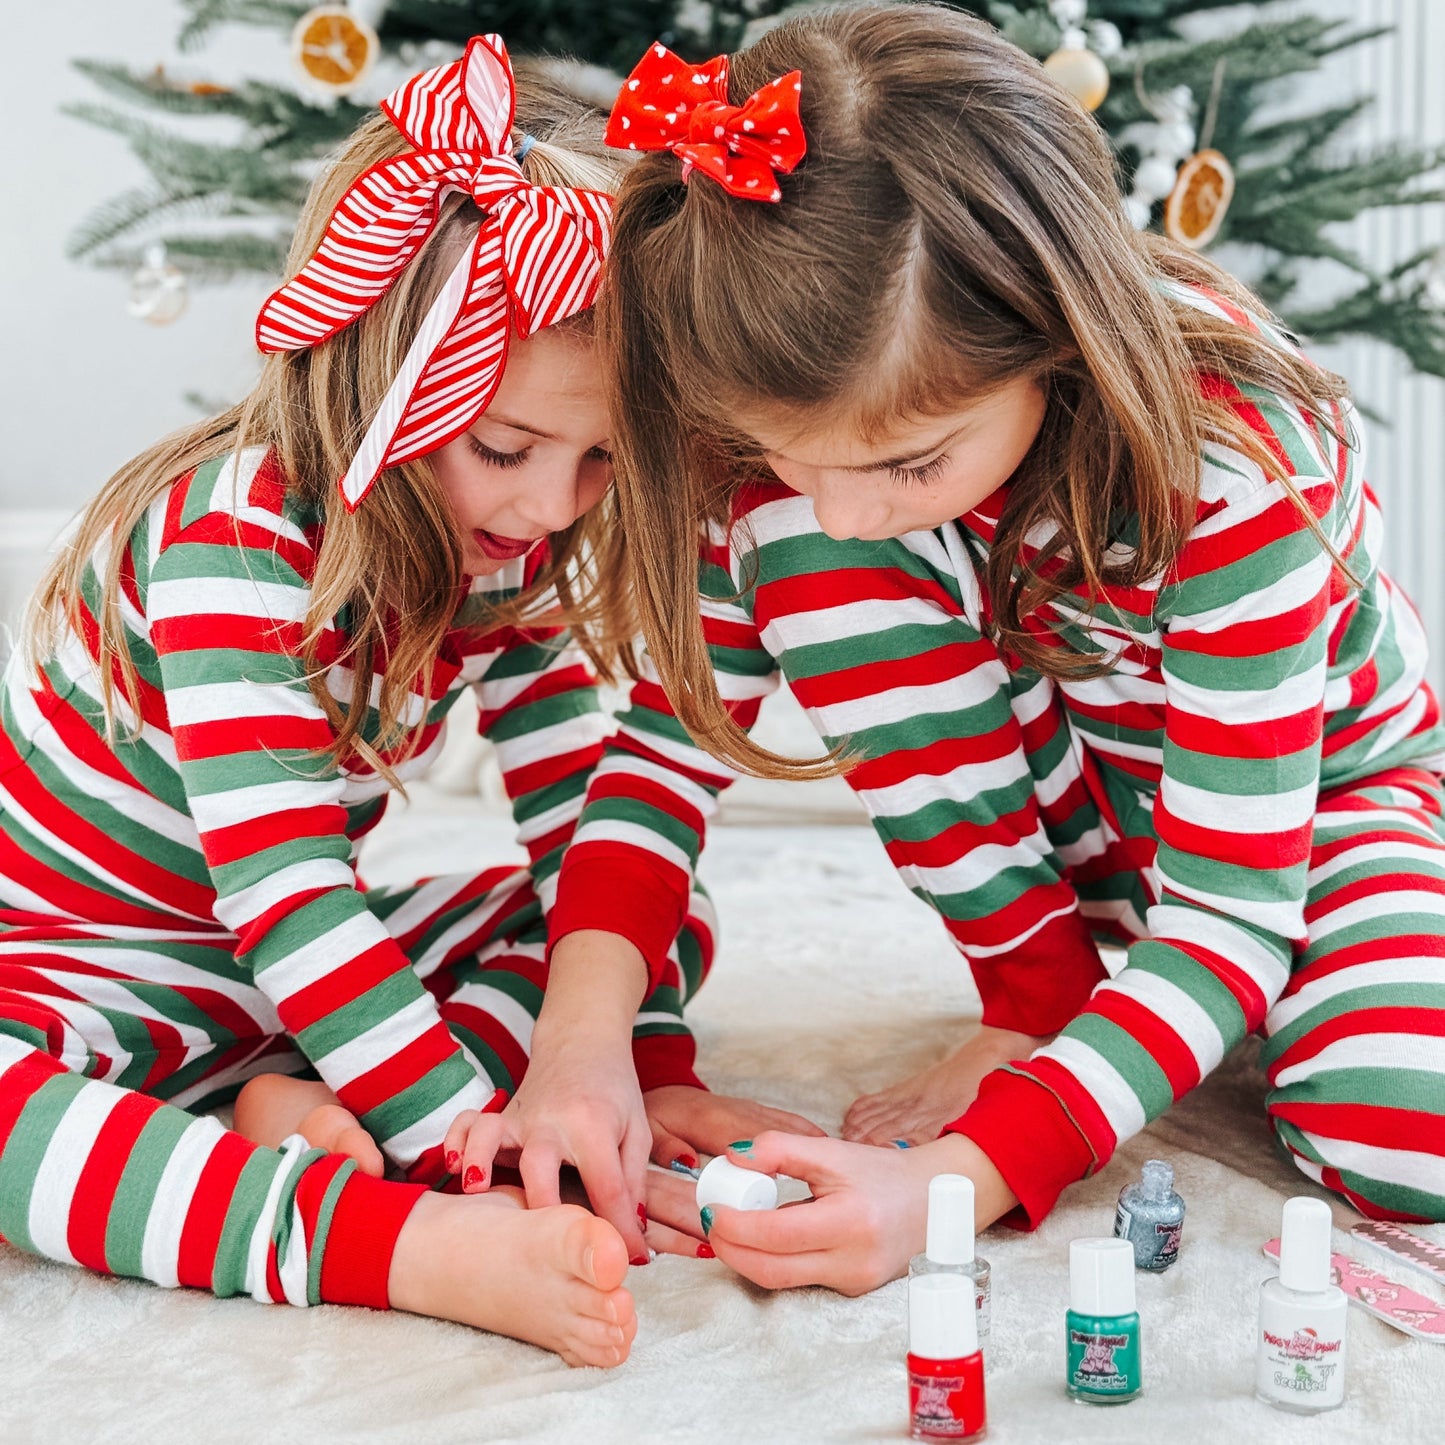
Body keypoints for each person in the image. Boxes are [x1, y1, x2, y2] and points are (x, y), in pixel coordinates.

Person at [455, 4, 1445, 1296]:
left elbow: (1223, 913)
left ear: (1051, 334)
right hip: (1093, 858)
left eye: (909, 459)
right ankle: (1043, 996)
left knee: (1408, 1126)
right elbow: (653, 768)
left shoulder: (1233, 458)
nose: (844, 503)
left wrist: (957, 1179)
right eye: (779, 454)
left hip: (1312, 813)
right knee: (804, 545)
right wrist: (578, 1045)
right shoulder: (797, 482)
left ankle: (1170, 1012)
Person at [0, 34, 653, 1365]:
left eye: (599, 461)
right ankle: (391, 1234)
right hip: (75, 970)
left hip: (267, 988)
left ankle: (280, 1098)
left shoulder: (504, 560)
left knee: (609, 912)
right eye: (505, 447)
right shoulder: (230, 537)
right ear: (378, 374)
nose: (546, 506)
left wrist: (622, 1072)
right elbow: (288, 891)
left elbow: (597, 825)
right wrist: (458, 1141)